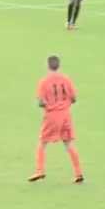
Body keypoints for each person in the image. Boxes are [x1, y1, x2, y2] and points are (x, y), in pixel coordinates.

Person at [28, 55, 84, 184]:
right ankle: (78, 173)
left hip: (52, 115)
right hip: (66, 115)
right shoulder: (66, 80)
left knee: (42, 143)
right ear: (59, 65)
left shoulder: (44, 82)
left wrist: (48, 105)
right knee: (69, 143)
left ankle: (40, 170)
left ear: (47, 66)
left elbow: (41, 102)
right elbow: (74, 98)